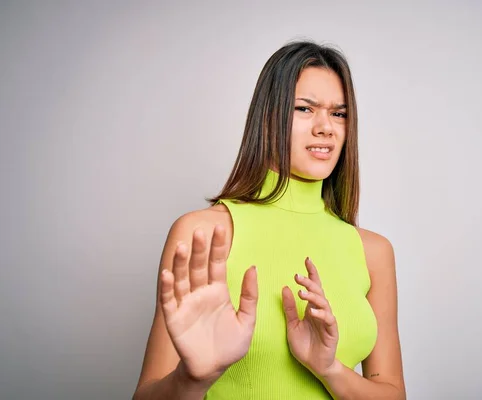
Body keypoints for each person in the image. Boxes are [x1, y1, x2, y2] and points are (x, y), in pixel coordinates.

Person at [133, 40, 406, 399]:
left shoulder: (373, 251)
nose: (326, 128)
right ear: (268, 116)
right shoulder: (205, 233)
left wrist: (329, 369)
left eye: (339, 114)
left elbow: (393, 393)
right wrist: (194, 378)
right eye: (305, 109)